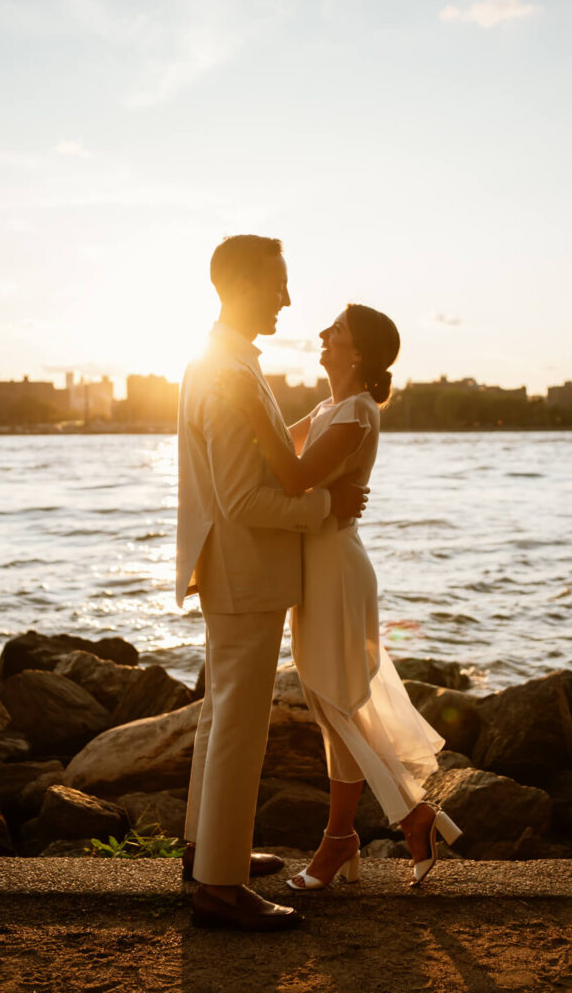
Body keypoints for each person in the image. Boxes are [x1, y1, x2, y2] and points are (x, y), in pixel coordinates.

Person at [219, 303, 462, 891]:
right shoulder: (330, 408)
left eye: (338, 330)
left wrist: (252, 404)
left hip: (339, 572)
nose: (324, 334)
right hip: (317, 570)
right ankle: (365, 833)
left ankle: (384, 827)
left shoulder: (357, 412)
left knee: (334, 701)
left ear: (358, 353)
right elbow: (274, 460)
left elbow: (297, 477)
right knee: (335, 708)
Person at [175, 235, 368, 931]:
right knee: (238, 729)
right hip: (244, 571)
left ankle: (206, 851)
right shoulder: (226, 369)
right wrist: (325, 506)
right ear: (238, 286)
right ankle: (219, 891)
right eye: (276, 283)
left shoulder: (224, 361)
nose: (286, 297)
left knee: (217, 715)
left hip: (231, 569)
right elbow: (242, 499)